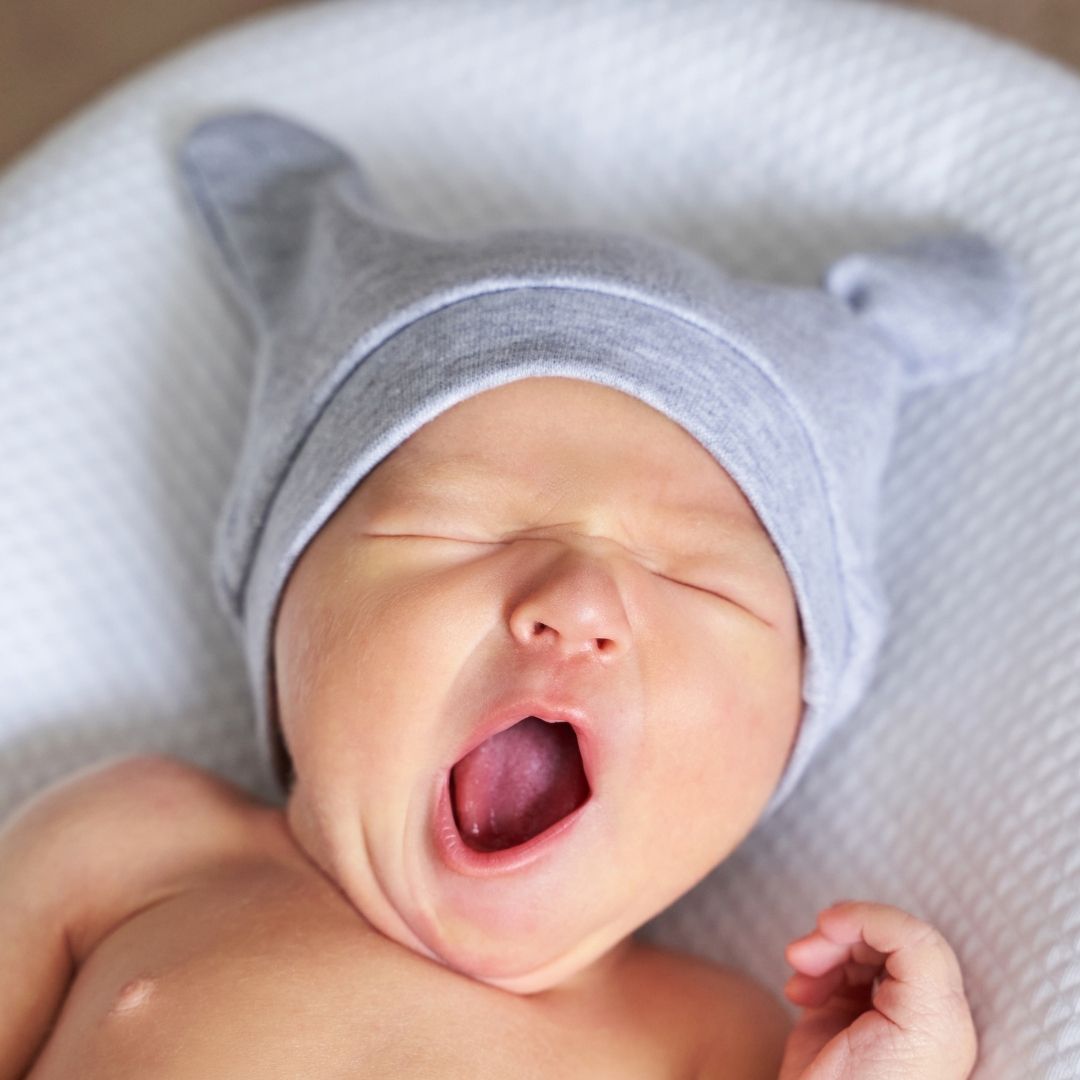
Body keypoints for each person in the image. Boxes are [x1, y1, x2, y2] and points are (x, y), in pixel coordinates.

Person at [0, 109, 1026, 1078]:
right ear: (286, 610)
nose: (578, 599)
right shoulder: (135, 848)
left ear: (796, 727)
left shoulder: (723, 1041)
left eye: (699, 580)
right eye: (456, 526)